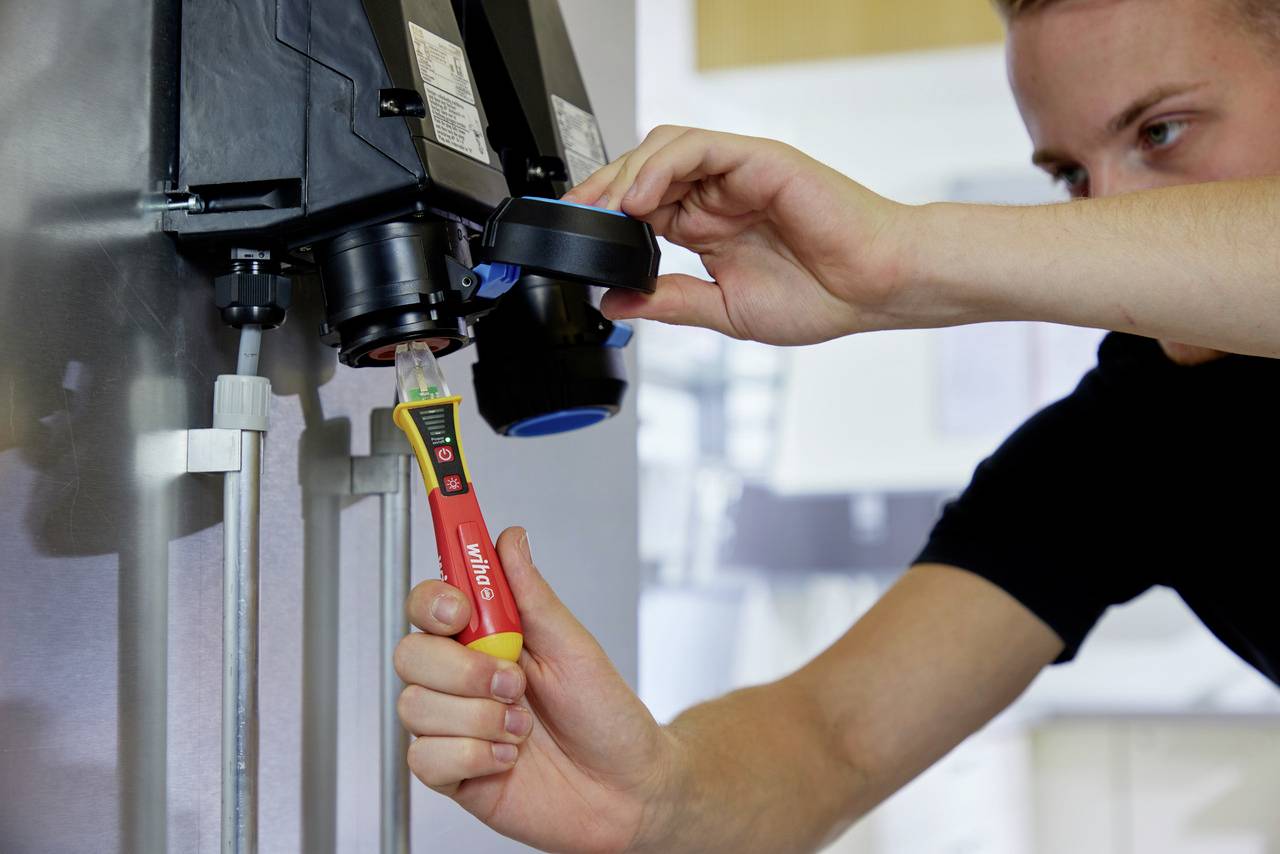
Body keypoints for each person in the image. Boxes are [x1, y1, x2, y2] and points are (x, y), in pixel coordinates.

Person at [392, 1, 1280, 851]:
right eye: (1070, 176)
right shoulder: (1132, 436)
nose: (1109, 203)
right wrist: (648, 798)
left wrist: (899, 258)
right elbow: (834, 740)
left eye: (1161, 131)